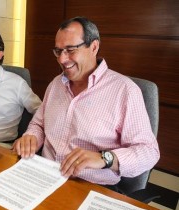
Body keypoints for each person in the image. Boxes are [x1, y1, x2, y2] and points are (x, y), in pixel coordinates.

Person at [12, 17, 160, 186]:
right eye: (58, 51)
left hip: (90, 186)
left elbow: (149, 152)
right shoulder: (55, 85)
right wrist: (31, 138)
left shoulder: (125, 91)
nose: (62, 59)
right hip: (44, 176)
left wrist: (105, 157)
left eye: (70, 49)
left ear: (94, 47)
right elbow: (38, 124)